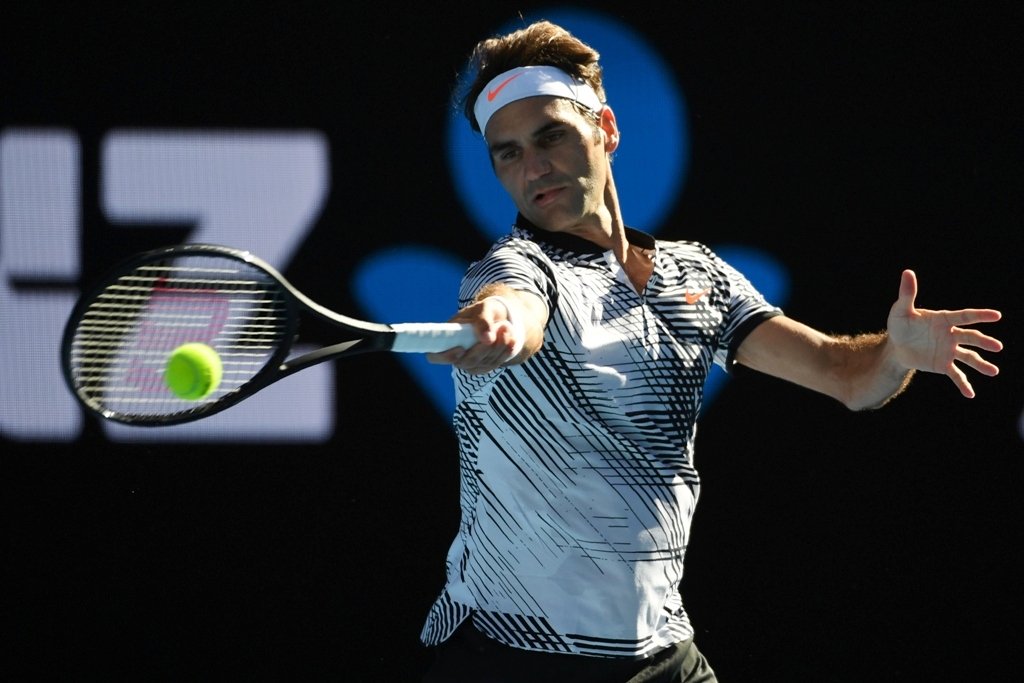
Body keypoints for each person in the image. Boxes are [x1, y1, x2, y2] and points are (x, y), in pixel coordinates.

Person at [419, 19, 1003, 683]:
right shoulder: (520, 267)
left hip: (662, 652)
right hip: (515, 657)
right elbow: (510, 305)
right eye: (508, 152)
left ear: (605, 129)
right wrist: (497, 323)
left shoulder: (697, 277)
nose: (534, 167)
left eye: (551, 135)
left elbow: (845, 377)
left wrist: (894, 352)